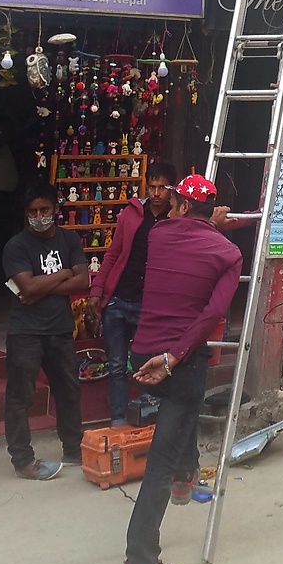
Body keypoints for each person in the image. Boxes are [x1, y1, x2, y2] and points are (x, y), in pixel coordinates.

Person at [117, 174, 242, 564]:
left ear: (184, 207)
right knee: (161, 460)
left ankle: (186, 476)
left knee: (177, 417)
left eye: (173, 201)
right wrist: (173, 359)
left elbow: (183, 235)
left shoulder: (157, 236)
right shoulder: (227, 254)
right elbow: (211, 316)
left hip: (142, 357)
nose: (167, 207)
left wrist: (163, 360)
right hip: (177, 364)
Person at [2, 182, 88, 479]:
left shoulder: (69, 240)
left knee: (68, 391)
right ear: (26, 214)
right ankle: (23, 460)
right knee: (20, 396)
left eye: (44, 210)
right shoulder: (16, 246)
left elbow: (84, 282)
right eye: (33, 211)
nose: (39, 216)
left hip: (61, 330)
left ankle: (74, 450)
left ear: (56, 210)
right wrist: (64, 273)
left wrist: (41, 286)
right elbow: (26, 287)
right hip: (25, 332)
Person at [84, 161, 178, 425]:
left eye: (163, 187)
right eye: (153, 186)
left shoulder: (177, 220)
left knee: (147, 365)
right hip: (118, 300)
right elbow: (113, 254)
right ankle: (118, 422)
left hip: (150, 306)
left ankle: (149, 421)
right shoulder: (132, 213)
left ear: (172, 189)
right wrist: (97, 290)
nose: (157, 193)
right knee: (115, 367)